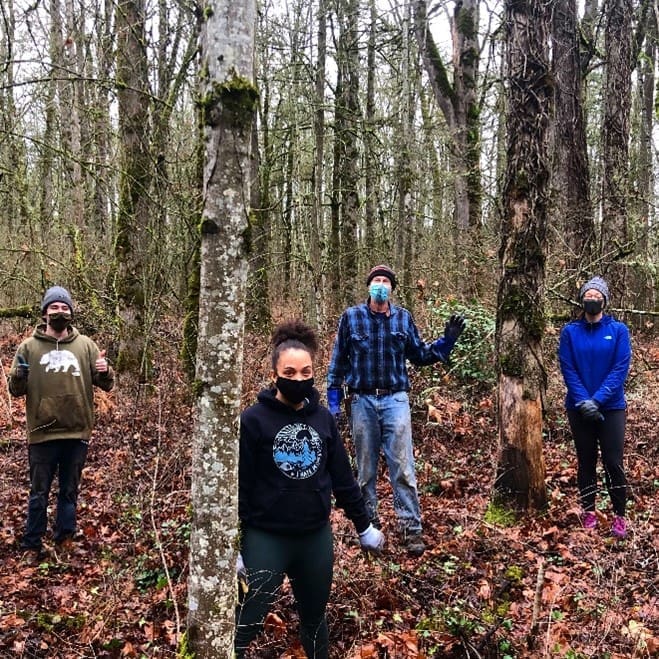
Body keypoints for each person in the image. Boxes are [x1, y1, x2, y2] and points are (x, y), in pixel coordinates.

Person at [235, 319, 384, 659]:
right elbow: (240, 485)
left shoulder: (323, 419)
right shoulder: (253, 421)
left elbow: (343, 479)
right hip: (266, 537)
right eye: (289, 373)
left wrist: (364, 526)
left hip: (314, 538)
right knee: (247, 621)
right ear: (274, 375)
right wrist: (232, 545)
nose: (299, 380)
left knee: (315, 620)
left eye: (306, 372)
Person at [326, 265, 465, 556]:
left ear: (392, 288)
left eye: (386, 281)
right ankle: (368, 526)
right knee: (365, 470)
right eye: (376, 280)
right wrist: (334, 403)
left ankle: (411, 528)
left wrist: (447, 342)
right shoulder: (351, 317)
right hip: (362, 400)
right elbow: (338, 362)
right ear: (369, 286)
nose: (381, 285)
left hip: (395, 400)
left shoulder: (403, 318)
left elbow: (420, 354)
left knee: (403, 468)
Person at [8, 286, 115, 562]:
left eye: (64, 307)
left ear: (71, 312)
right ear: (44, 313)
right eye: (54, 307)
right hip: (41, 433)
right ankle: (32, 546)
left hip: (76, 431)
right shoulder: (28, 347)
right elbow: (15, 390)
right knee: (38, 493)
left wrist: (105, 371)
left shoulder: (86, 346)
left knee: (69, 491)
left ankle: (64, 541)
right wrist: (18, 376)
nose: (59, 312)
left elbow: (106, 384)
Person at [558, 276, 631, 539]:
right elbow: (568, 368)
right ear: (581, 300)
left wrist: (597, 400)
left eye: (597, 296)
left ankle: (619, 516)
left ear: (604, 300)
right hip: (578, 408)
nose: (592, 299)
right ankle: (588, 511)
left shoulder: (618, 330)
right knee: (586, 461)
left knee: (613, 462)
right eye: (588, 295)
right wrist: (583, 401)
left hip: (611, 408)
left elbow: (620, 368)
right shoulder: (570, 332)